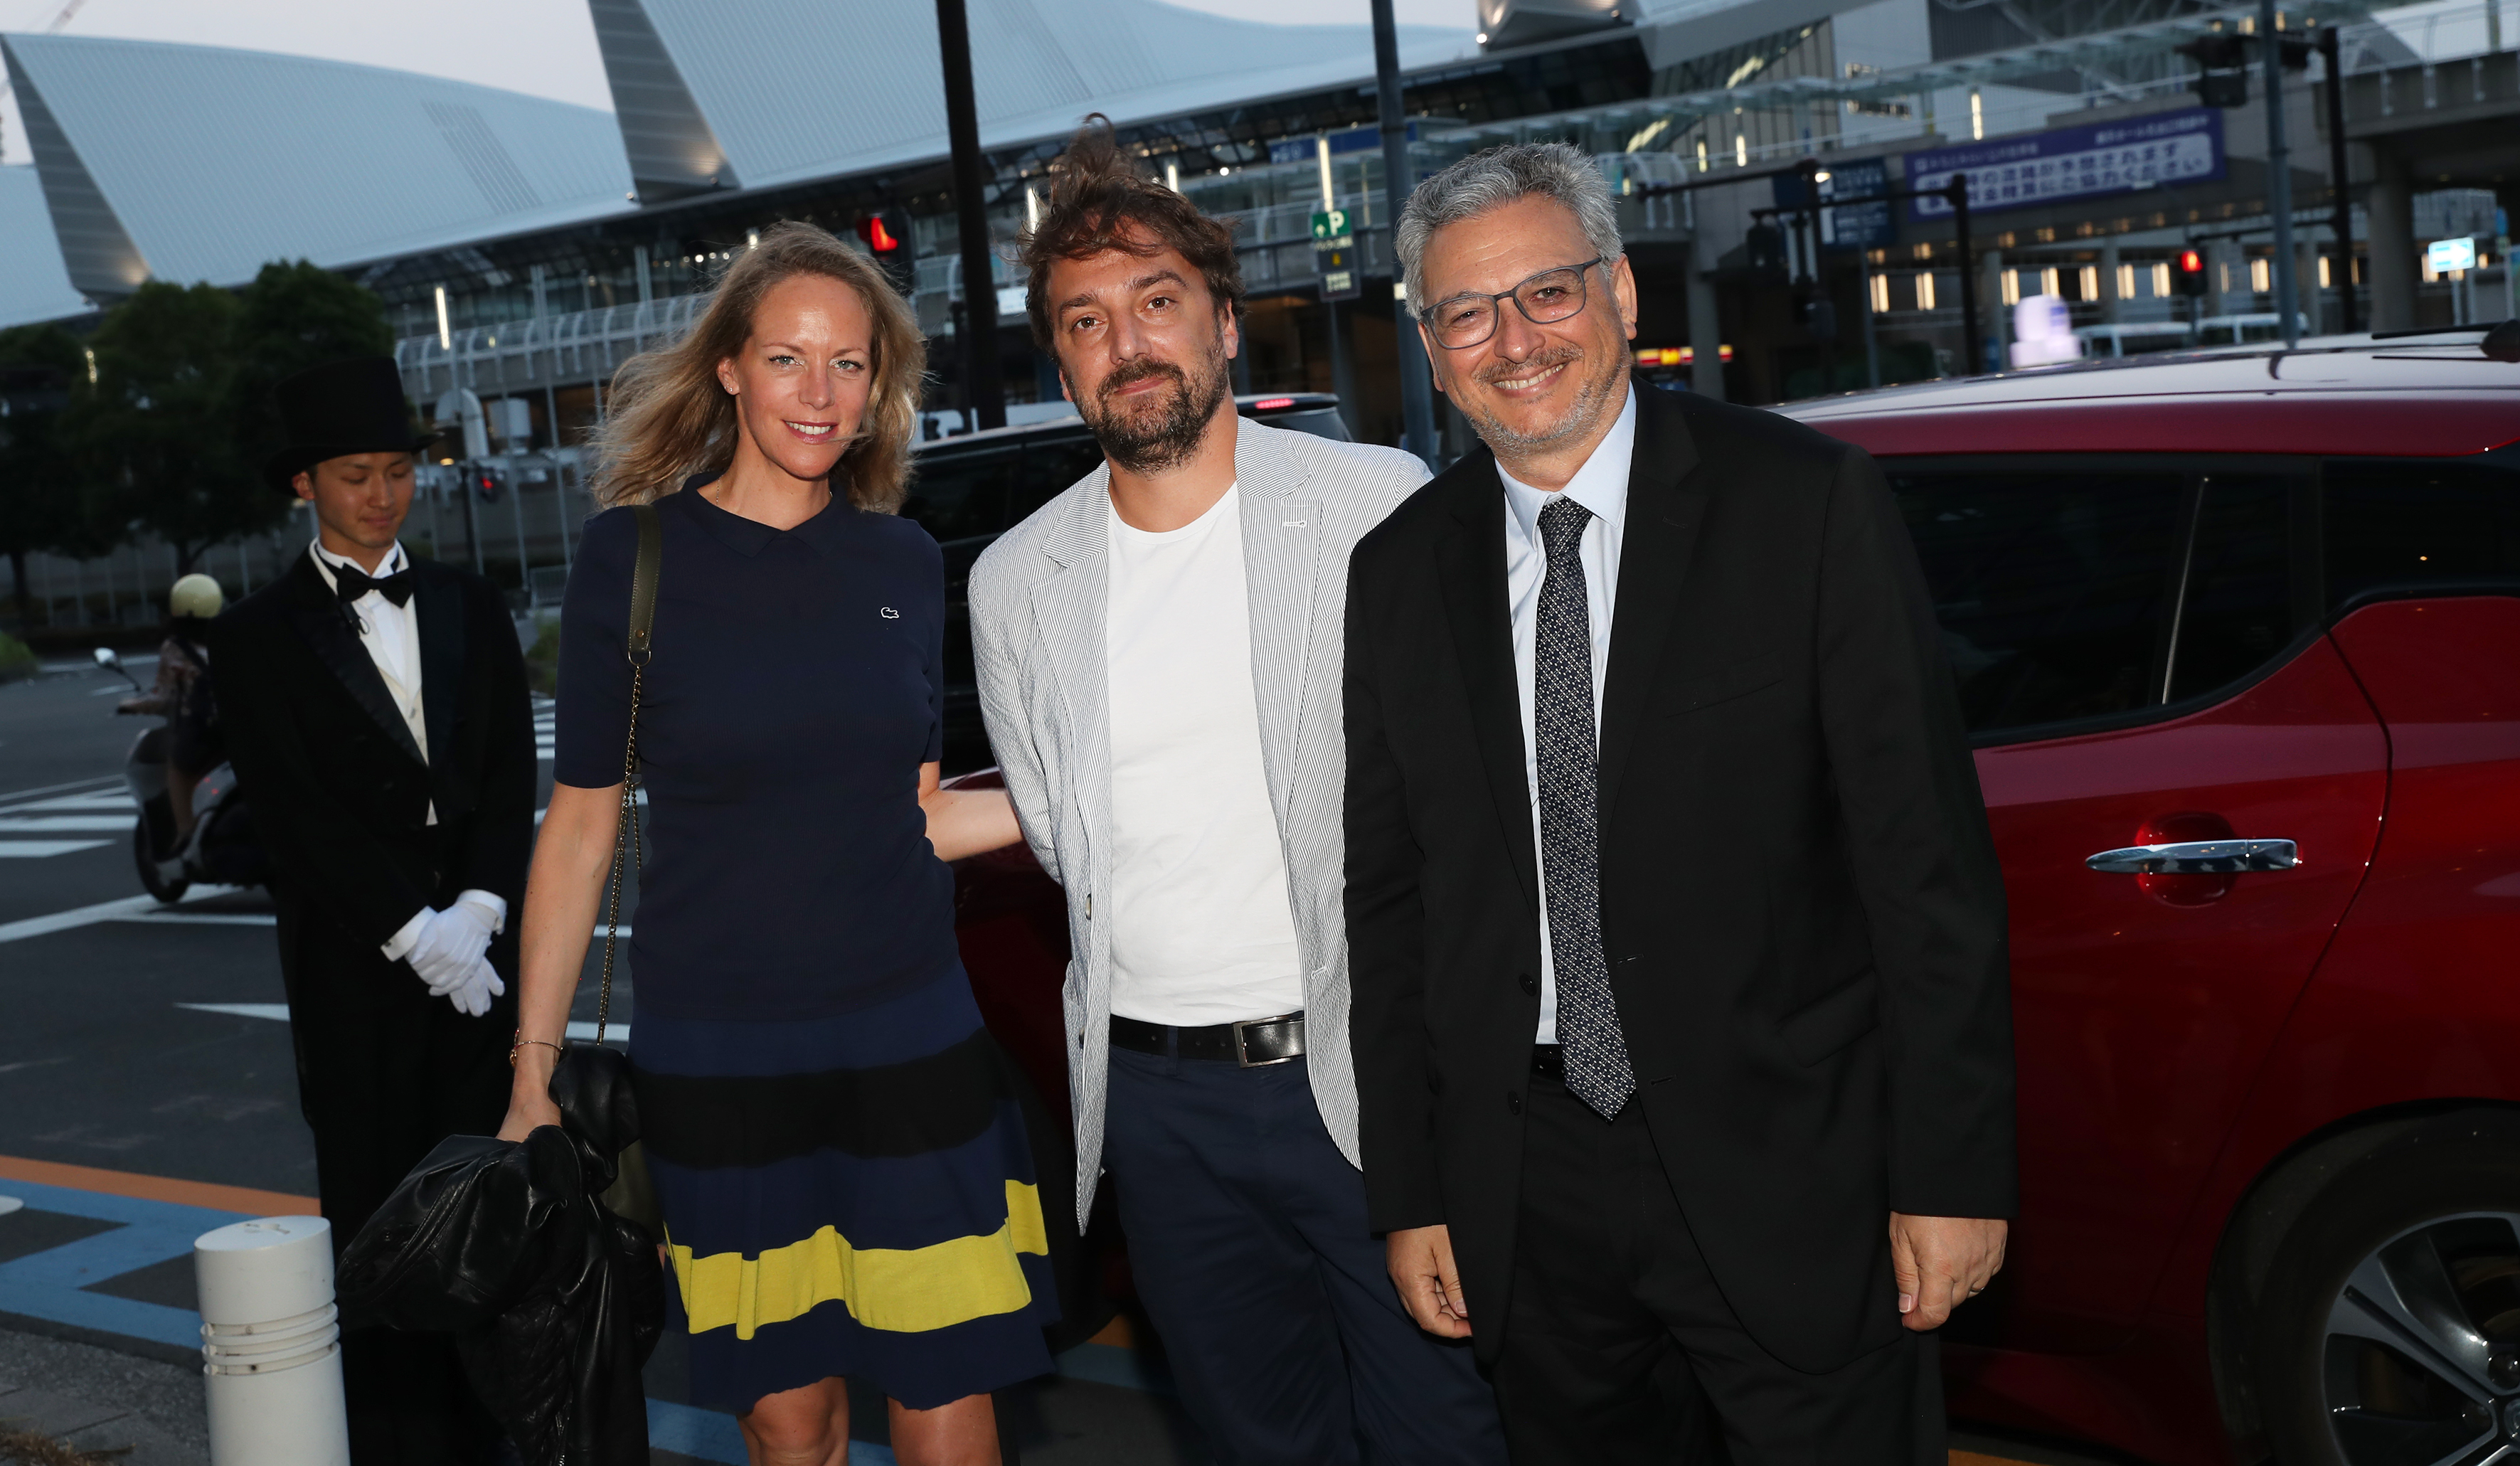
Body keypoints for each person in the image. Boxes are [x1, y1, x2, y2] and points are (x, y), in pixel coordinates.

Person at [1342, 143, 2017, 1462]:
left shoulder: (1804, 503)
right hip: (1525, 1189)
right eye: (1465, 312)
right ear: (1430, 347)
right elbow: (1390, 904)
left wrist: (1949, 1173)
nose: (1512, 340)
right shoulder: (1396, 572)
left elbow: (1922, 867)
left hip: (1790, 1167)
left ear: (1622, 296)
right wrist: (1412, 1189)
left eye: (1545, 292)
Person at [967, 122, 1506, 1466]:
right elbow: (1055, 825)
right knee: (1259, 1442)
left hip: (1370, 1076)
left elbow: (1472, 795)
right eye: (1085, 321)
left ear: (1220, 322)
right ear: (1061, 358)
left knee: (1451, 1429)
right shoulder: (1013, 584)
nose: (1126, 341)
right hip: (1156, 1109)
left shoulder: (1373, 503)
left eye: (1155, 303)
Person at [501, 223, 1051, 1466]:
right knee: (788, 1418)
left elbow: (917, 804)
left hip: (910, 1037)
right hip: (720, 1057)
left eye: (848, 365)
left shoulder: (904, 561)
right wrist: (531, 1076)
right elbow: (581, 826)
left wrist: (1077, 795)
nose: (820, 393)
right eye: (790, 359)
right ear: (732, 370)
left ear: (878, 385)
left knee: (949, 1383)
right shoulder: (630, 560)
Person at [213, 354, 538, 1465]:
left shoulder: (467, 603)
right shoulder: (256, 636)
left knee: (494, 1228)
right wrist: (417, 931)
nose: (382, 494)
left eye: (399, 470)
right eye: (355, 474)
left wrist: (484, 910)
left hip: (481, 982)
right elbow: (294, 817)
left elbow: (505, 776)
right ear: (303, 483)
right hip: (356, 982)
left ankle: (502, 1442)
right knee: (380, 1235)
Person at [118, 571, 225, 847]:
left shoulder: (175, 649)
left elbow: (164, 698)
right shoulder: (228, 636)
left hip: (202, 733)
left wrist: (130, 706)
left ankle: (185, 831)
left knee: (176, 769)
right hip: (235, 728)